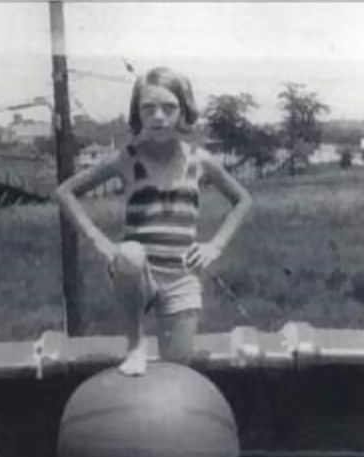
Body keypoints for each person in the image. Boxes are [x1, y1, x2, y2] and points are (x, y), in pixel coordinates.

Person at [56, 66, 253, 376]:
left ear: (184, 110)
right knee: (130, 253)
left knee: (177, 365)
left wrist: (216, 245)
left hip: (180, 275)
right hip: (139, 274)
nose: (159, 116)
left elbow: (243, 200)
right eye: (149, 108)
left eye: (169, 107)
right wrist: (100, 243)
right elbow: (65, 192)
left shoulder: (199, 160)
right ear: (138, 113)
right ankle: (135, 344)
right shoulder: (127, 158)